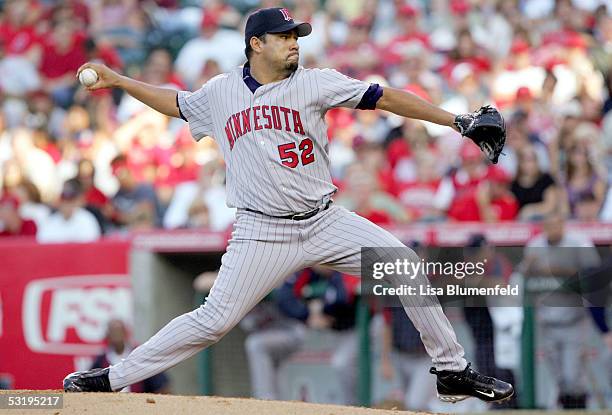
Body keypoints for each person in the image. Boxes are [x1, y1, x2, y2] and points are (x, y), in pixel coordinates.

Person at [63, 7, 513, 404]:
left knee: (403, 263)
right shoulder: (221, 93)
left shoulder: (315, 83)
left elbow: (386, 97)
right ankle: (113, 378)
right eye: (285, 37)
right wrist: (121, 80)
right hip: (262, 232)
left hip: (325, 220)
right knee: (213, 321)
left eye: (297, 36)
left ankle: (452, 370)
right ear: (256, 44)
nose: (294, 43)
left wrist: (457, 120)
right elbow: (175, 102)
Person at [521, 210, 600, 409]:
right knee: (559, 377)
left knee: (572, 375)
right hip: (546, 320)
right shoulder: (535, 245)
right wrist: (529, 268)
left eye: (557, 224)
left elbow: (595, 275)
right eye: (549, 225)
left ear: (563, 225)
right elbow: (523, 276)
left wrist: (560, 271)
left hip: (574, 318)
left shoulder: (579, 243)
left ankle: (578, 408)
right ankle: (568, 409)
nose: (553, 229)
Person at [91, 319, 170, 394]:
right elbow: (91, 383)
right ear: (107, 335)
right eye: (113, 332)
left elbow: (160, 384)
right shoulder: (101, 360)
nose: (116, 335)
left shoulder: (139, 355)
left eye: (118, 331)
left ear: (125, 333)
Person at [37, 178, 101, 243]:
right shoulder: (50, 221)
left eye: (70, 199)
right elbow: (43, 243)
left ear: (77, 200)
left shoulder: (87, 219)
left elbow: (90, 245)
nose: (66, 203)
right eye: (63, 198)